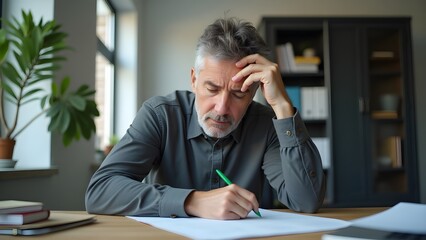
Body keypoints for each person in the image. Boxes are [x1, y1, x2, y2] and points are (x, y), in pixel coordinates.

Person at [85, 17, 326, 220]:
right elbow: (100, 191)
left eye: (239, 94)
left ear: (254, 91)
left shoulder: (266, 124)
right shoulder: (161, 115)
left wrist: (282, 106)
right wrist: (192, 201)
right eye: (212, 89)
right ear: (194, 79)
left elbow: (306, 201)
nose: (222, 108)